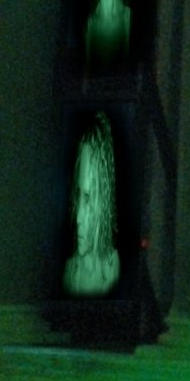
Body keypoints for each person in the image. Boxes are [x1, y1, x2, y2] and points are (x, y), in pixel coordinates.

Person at [63, 114, 121, 297]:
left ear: (104, 202)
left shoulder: (114, 268)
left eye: (88, 199)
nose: (78, 217)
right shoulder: (70, 274)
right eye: (78, 195)